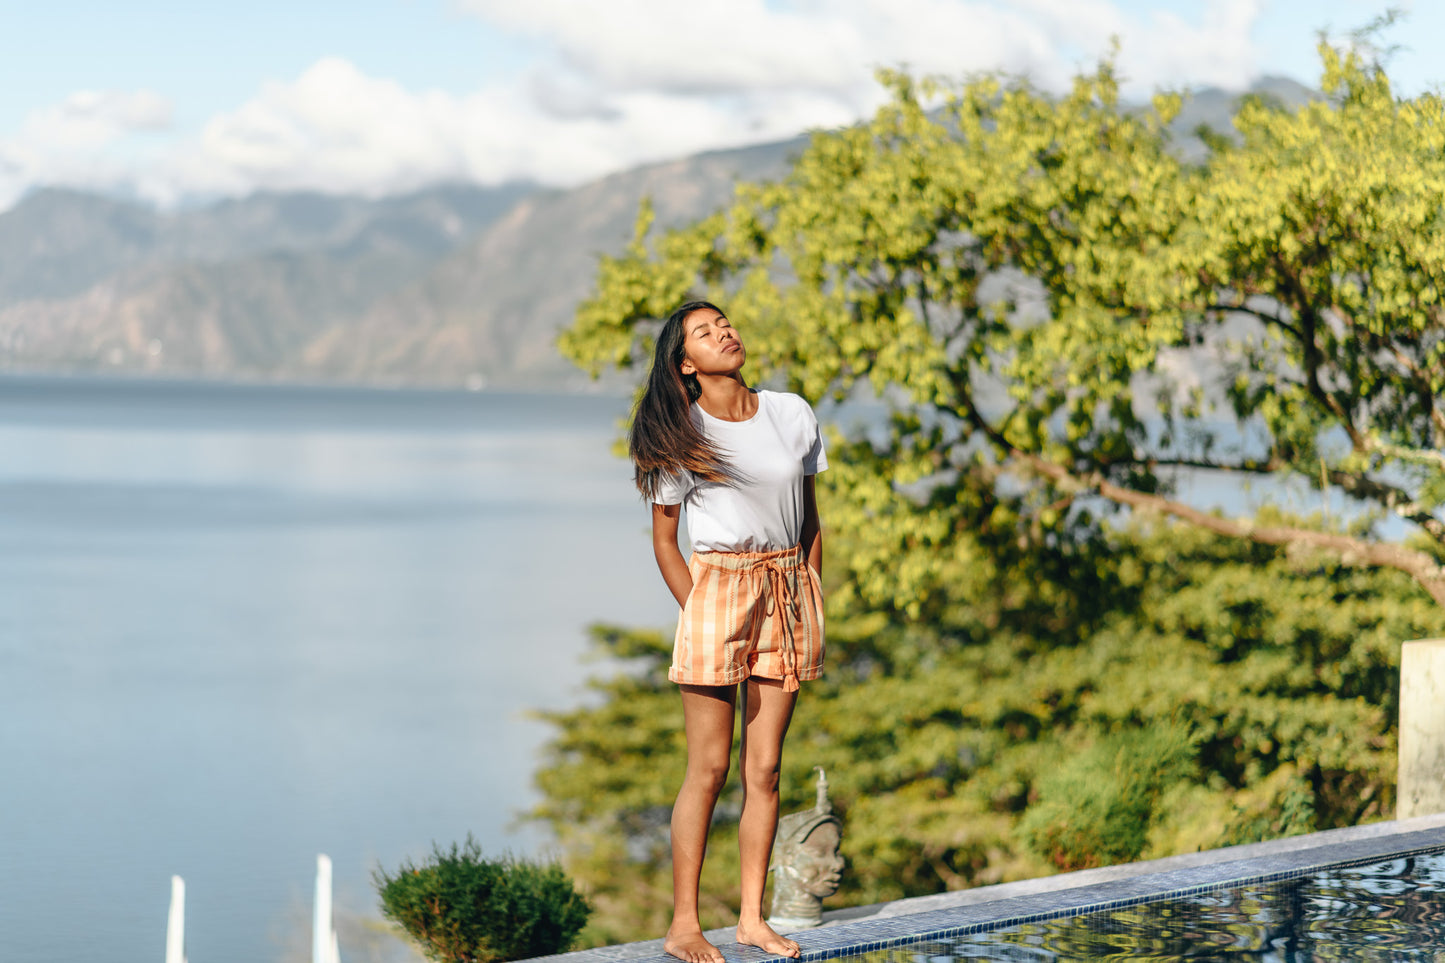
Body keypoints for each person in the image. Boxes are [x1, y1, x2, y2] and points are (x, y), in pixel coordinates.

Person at [630, 300, 827, 963]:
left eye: (725, 323)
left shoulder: (790, 413)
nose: (724, 332)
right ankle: (684, 922)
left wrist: (808, 594)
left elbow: (808, 518)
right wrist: (699, 614)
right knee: (709, 767)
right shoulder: (679, 434)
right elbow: (664, 542)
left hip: (785, 587)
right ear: (686, 363)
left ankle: (750, 917)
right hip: (717, 588)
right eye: (704, 332)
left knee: (765, 767)